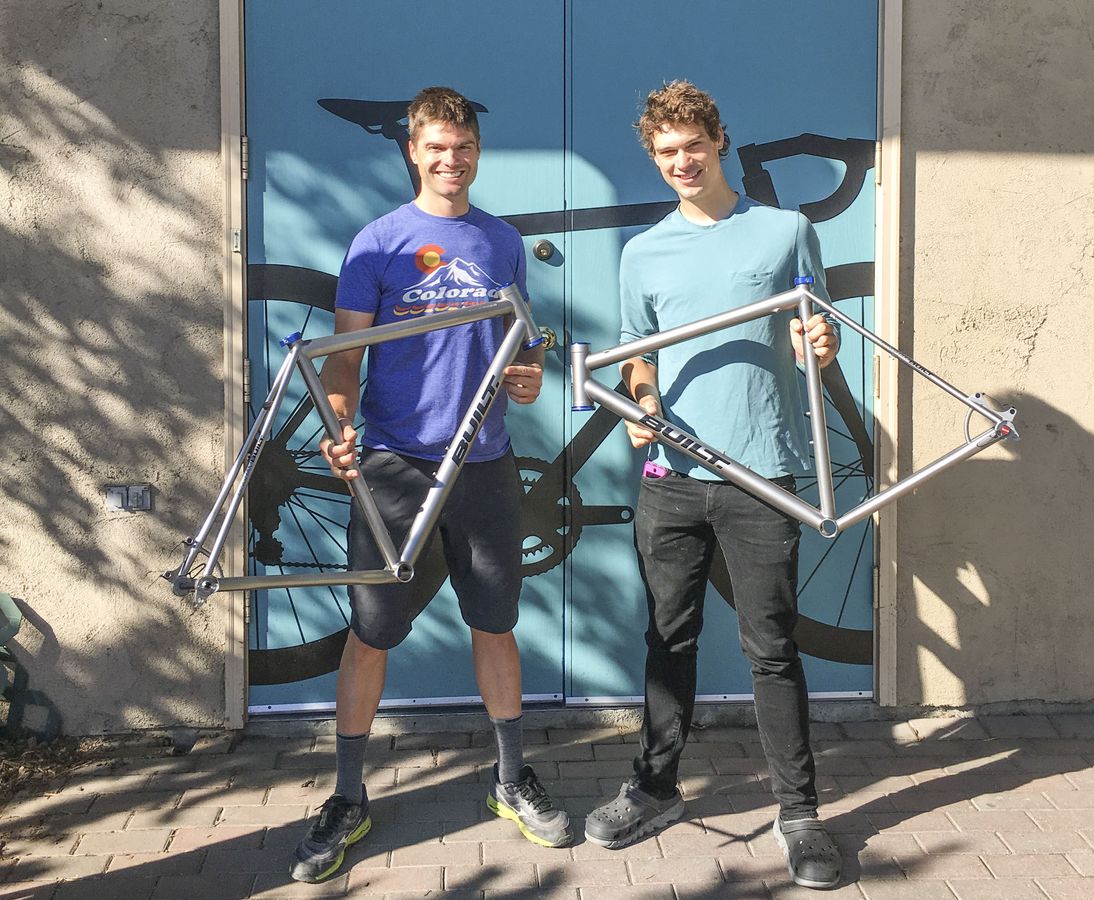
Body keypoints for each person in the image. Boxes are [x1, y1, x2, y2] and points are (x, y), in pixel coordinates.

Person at [290, 86, 571, 884]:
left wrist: (528, 376)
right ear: (415, 150)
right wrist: (338, 423)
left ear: (477, 151)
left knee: (496, 625)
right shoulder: (376, 243)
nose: (453, 161)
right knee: (373, 633)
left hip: (481, 466)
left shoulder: (502, 242)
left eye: (465, 148)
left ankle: (509, 778)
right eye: (438, 148)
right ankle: (348, 796)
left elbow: (522, 348)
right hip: (394, 467)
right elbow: (345, 361)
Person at [584, 81, 843, 890]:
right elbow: (639, 353)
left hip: (761, 471)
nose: (681, 164)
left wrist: (820, 345)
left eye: (692, 147)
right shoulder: (645, 251)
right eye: (665, 154)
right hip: (673, 480)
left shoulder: (784, 231)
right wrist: (641, 404)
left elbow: (816, 335)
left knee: (771, 648)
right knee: (669, 640)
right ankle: (656, 788)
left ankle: (798, 814)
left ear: (719, 140)